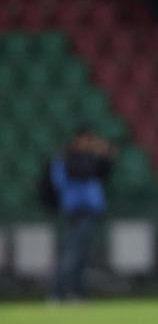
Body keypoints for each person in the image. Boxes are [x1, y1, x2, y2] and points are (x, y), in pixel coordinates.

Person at [47, 126, 115, 301]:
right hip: (76, 209)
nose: (89, 144)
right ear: (78, 140)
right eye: (87, 140)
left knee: (80, 254)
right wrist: (98, 155)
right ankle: (59, 292)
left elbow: (102, 173)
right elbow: (82, 172)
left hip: (88, 210)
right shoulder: (68, 158)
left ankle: (75, 292)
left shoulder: (84, 159)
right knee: (73, 254)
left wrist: (106, 156)